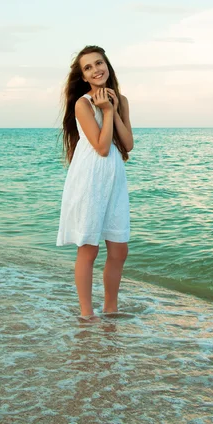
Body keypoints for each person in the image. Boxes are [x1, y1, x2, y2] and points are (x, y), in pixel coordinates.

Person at [56, 45, 134, 322]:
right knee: (89, 247)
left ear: (107, 65)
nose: (96, 69)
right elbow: (101, 147)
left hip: (114, 178)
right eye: (88, 67)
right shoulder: (83, 104)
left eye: (99, 63)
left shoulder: (121, 100)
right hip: (90, 178)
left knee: (119, 248)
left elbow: (127, 144)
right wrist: (106, 111)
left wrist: (113, 107)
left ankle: (110, 309)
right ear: (84, 77)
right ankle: (87, 315)